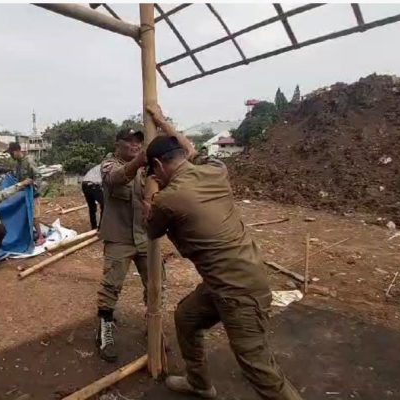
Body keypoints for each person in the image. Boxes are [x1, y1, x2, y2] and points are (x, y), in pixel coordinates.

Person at [143, 104, 302, 400]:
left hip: (238, 290)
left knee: (258, 368)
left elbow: (150, 229)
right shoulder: (216, 171)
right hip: (230, 279)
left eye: (155, 173)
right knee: (187, 318)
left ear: (160, 167)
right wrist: (162, 122)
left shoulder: (168, 198)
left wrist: (150, 189)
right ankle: (200, 383)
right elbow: (190, 150)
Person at [96, 127, 164, 363]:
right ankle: (104, 331)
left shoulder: (149, 169)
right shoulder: (108, 165)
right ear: (118, 144)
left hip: (146, 237)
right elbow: (115, 179)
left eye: (138, 142)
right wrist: (138, 161)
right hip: (119, 237)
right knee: (111, 285)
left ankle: (154, 328)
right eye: (130, 141)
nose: (135, 145)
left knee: (155, 283)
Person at [6, 142, 45, 245]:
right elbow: (18, 178)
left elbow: (38, 175)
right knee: (27, 214)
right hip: (24, 194)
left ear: (16, 151)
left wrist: (33, 185)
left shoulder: (28, 160)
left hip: (33, 193)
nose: (10, 156)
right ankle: (31, 234)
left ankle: (41, 237)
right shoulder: (18, 164)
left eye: (11, 153)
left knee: (35, 216)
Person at [81, 163, 104, 230]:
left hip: (84, 184)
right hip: (93, 185)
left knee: (92, 207)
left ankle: (94, 227)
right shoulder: (109, 166)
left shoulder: (99, 166)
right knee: (105, 206)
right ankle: (101, 228)